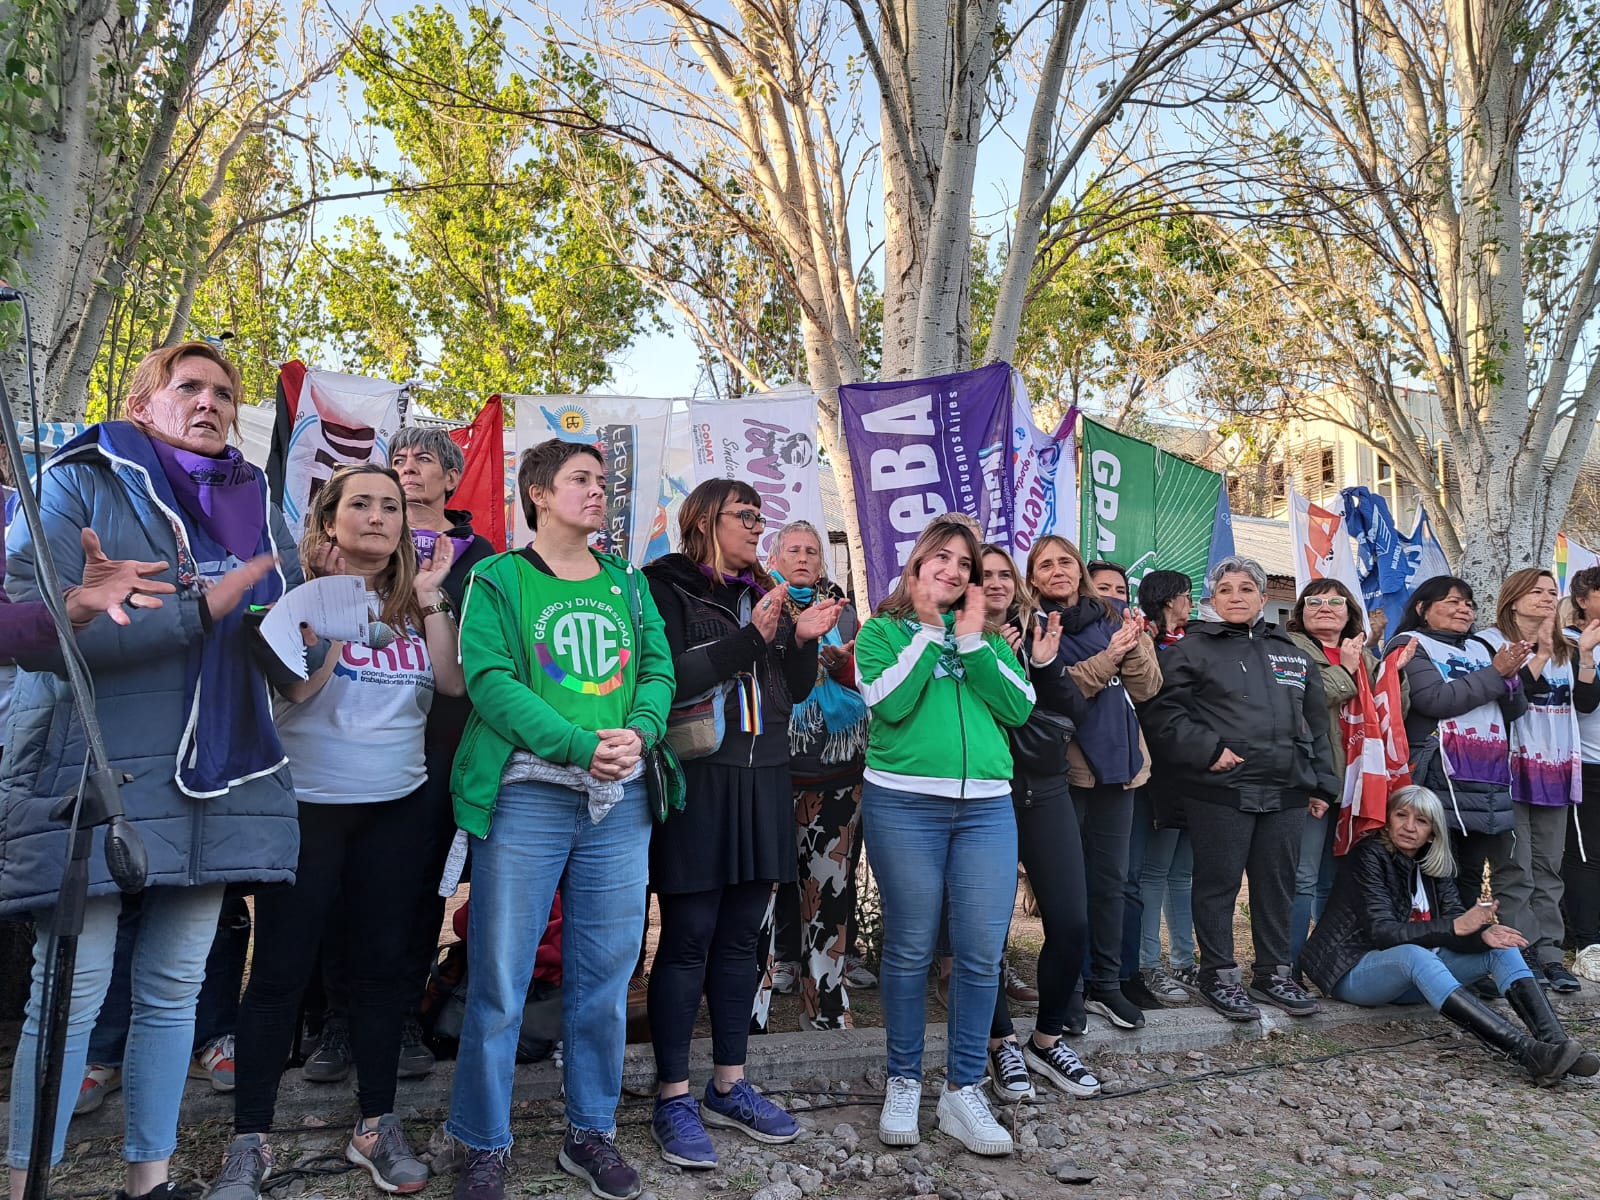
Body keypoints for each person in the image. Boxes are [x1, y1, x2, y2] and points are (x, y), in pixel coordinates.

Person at [2, 341, 297, 1200]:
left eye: (223, 392)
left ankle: (150, 1180)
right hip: (93, 767)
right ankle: (27, 1183)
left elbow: (274, 632)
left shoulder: (257, 498)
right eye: (189, 387)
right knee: (70, 996)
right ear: (144, 402)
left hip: (220, 767)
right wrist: (197, 612)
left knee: (174, 990)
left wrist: (306, 634)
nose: (209, 402)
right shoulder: (80, 478)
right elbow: (34, 632)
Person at [217, 464, 465, 1200]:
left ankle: (376, 1126)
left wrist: (429, 600)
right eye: (361, 504)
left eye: (391, 506)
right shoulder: (291, 602)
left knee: (385, 971)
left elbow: (450, 686)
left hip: (397, 806)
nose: (379, 516)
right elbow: (298, 688)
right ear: (329, 522)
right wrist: (328, 610)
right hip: (310, 809)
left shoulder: (417, 605)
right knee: (281, 974)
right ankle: (249, 1142)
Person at [444, 438, 674, 1200]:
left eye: (602, 481)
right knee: (502, 977)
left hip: (620, 802)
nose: (597, 491)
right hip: (528, 795)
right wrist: (579, 745)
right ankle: (482, 1141)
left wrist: (639, 731)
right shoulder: (499, 577)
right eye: (581, 479)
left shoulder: (628, 585)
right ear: (538, 493)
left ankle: (591, 1133)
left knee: (606, 979)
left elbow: (657, 670)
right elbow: (488, 679)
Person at [643, 481, 839, 1170]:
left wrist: (803, 642)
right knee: (689, 938)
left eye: (761, 516)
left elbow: (790, 682)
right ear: (704, 520)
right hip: (701, 777)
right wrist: (751, 636)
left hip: (765, 778)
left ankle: (729, 1084)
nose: (757, 526)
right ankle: (671, 1096)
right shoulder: (663, 586)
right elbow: (668, 676)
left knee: (739, 944)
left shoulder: (768, 590)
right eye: (745, 516)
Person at [301, 429, 500, 1087]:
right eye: (398, 462)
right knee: (332, 892)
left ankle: (404, 1018)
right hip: (344, 747)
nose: (407, 471)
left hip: (441, 747)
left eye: (423, 461)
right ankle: (335, 1021)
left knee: (416, 892)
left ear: (451, 479)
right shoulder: (348, 549)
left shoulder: (482, 558)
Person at [857, 515, 1034, 1156]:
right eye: (944, 559)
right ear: (917, 566)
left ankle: (963, 1090)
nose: (956, 572)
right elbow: (891, 703)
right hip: (904, 806)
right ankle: (904, 1079)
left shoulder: (988, 639)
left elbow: (1019, 708)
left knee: (983, 951)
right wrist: (933, 634)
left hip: (986, 809)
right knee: (908, 949)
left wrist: (974, 642)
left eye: (966, 565)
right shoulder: (881, 632)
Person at [1142, 556, 1339, 1021]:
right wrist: (1209, 750)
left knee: (1277, 885)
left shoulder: (1292, 651)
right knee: (1218, 884)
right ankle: (1218, 974)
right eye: (1225, 590)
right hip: (1221, 788)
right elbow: (1162, 714)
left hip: (1288, 788)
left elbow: (1315, 723)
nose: (1235, 597)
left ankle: (1273, 972)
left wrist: (1321, 784)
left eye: (1246, 589)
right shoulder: (1191, 649)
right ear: (1212, 600)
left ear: (1263, 598)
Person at [1302, 785, 1596, 1084]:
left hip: (1414, 975)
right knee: (1413, 955)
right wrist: (1457, 928)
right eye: (1401, 816)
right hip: (1352, 971)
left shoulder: (1436, 862)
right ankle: (1524, 1052)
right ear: (1388, 820)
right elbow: (1383, 933)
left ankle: (1557, 1045)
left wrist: (1480, 936)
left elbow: (1456, 926)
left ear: (1432, 832)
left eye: (1421, 820)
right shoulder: (1369, 855)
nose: (1408, 826)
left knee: (1501, 947)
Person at [976, 545, 1100, 1106]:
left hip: (1046, 789)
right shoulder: (951, 637)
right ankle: (1000, 1041)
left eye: (1005, 574)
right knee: (986, 933)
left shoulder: (1040, 631)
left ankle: (1046, 1039)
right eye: (985, 575)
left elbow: (1071, 708)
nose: (997, 583)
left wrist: (1045, 664)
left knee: (1072, 921)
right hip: (985, 795)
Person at [1026, 537, 1161, 1031]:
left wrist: (1132, 644)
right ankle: (1071, 990)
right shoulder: (1035, 625)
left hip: (1123, 764)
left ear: (1079, 570)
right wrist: (1111, 655)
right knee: (1070, 889)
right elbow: (1060, 688)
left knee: (1111, 884)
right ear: (1034, 578)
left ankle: (1106, 983)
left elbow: (1147, 688)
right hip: (1068, 768)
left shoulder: (1113, 616)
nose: (1058, 570)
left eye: (1066, 561)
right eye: (1046, 565)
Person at [766, 520, 869, 1031]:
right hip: (769, 772)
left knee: (828, 893)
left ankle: (828, 1008)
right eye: (793, 549)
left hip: (836, 773)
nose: (803, 557)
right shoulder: (758, 604)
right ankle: (751, 1021)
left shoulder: (847, 613)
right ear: (775, 556)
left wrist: (844, 667)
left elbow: (869, 678)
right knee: (762, 895)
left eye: (811, 550)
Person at [1283, 579, 1412, 977]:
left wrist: (1393, 673)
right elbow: (1303, 704)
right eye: (1315, 601)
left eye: (1336, 601)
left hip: (1358, 785)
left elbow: (1393, 714)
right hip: (1311, 781)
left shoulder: (1364, 654)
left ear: (1349, 612)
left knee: (1336, 880)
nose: (1325, 607)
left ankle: (1327, 962)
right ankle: (1286, 966)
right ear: (1300, 612)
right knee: (1301, 878)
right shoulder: (1289, 650)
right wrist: (1346, 669)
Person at [1481, 568, 1599, 992]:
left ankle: (1551, 954)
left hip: (1556, 770)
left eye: (1553, 592)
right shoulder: (1491, 642)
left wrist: (1582, 655)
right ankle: (1521, 951)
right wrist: (1540, 655)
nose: (1548, 598)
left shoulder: (1567, 645)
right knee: (1516, 867)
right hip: (1509, 769)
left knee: (1549, 866)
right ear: (1513, 599)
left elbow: (1585, 703)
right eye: (1537, 592)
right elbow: (1511, 698)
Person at [1388, 576, 1529, 921]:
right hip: (1439, 773)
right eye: (1452, 602)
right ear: (1422, 608)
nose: (1463, 609)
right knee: (1436, 868)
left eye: (1468, 603)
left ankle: (1465, 952)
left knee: (1469, 871)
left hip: (1486, 776)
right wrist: (1496, 674)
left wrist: (1510, 679)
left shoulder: (1481, 648)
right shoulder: (1409, 644)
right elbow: (1435, 699)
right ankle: (1435, 946)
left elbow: (1515, 709)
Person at [1126, 570, 1196, 1004]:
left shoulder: (1192, 640)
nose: (1192, 603)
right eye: (1187, 596)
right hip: (1157, 769)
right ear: (1169, 600)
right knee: (1154, 871)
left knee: (1183, 873)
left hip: (1196, 770)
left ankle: (1186, 962)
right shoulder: (1145, 640)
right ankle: (1148, 964)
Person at [1563, 566, 1600, 954]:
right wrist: (1587, 655)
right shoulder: (1569, 643)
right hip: (1588, 764)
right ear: (1582, 600)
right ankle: (1589, 943)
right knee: (1587, 856)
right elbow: (1584, 704)